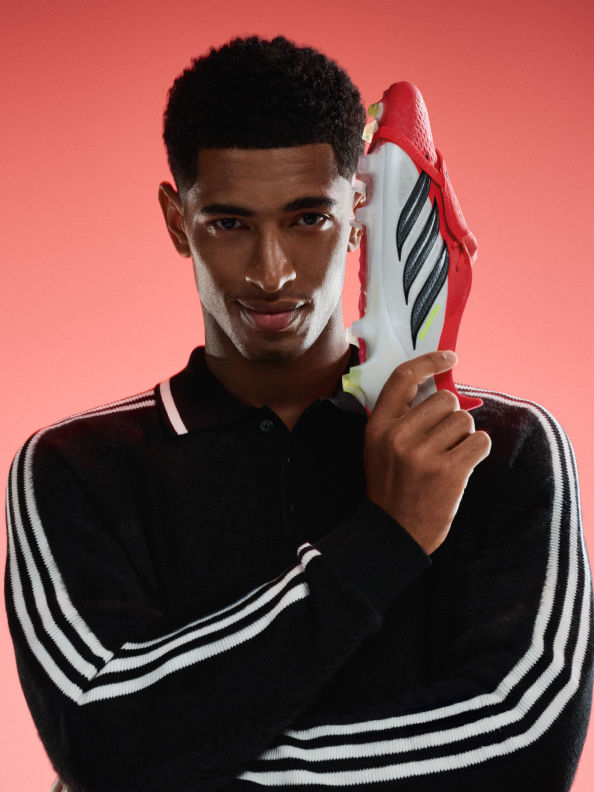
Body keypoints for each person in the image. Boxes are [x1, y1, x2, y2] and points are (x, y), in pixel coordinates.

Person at [5, 35, 592, 792]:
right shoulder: (74, 468)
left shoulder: (493, 448)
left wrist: (183, 764)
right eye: (229, 223)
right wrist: (387, 538)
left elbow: (523, 746)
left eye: (308, 217)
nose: (271, 271)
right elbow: (95, 731)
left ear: (359, 209)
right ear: (177, 220)